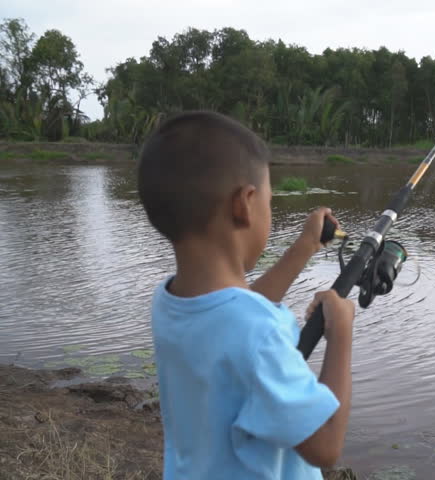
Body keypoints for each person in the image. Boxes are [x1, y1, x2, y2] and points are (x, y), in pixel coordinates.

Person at [137, 110, 354, 480]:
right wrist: (341, 333)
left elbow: (238, 308)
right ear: (244, 203)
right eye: (269, 202)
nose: (269, 211)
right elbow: (326, 445)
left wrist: (304, 246)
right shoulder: (258, 332)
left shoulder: (171, 302)